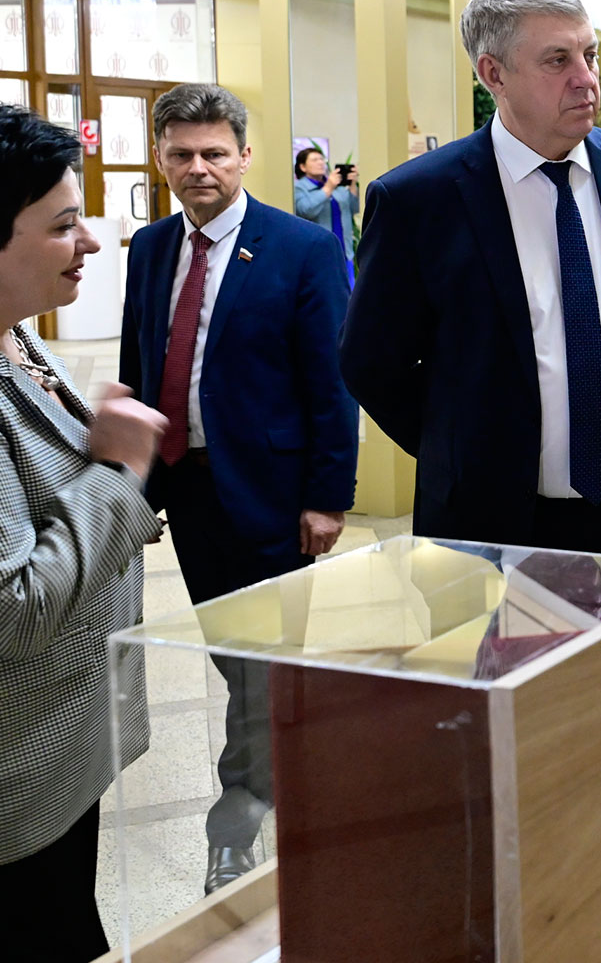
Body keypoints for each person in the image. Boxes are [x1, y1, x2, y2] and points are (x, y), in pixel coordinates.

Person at [341, 0, 601, 558]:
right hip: (490, 521)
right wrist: (460, 449)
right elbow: (371, 361)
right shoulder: (419, 201)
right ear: (494, 74)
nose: (586, 79)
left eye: (589, 54)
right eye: (558, 60)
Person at [119, 83, 358, 894]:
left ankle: (236, 823)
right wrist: (132, 484)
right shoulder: (152, 249)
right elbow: (139, 365)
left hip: (274, 497)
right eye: (182, 154)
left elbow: (332, 383)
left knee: (259, 667)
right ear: (161, 159)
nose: (199, 168)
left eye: (215, 153)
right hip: (188, 492)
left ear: (246, 156)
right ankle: (290, 761)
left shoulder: (300, 248)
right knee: (239, 659)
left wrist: (327, 496)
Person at [0, 107, 166, 962]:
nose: (91, 242)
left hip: (61, 756)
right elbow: (16, 607)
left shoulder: (20, 340)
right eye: (65, 225)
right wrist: (117, 471)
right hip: (16, 785)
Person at [292, 146, 357, 277]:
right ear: (303, 167)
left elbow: (354, 209)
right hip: (318, 254)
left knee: (349, 288)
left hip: (345, 252)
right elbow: (306, 211)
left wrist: (353, 185)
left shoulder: (336, 185)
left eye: (322, 159)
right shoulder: (298, 187)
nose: (320, 162)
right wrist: (328, 188)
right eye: (315, 160)